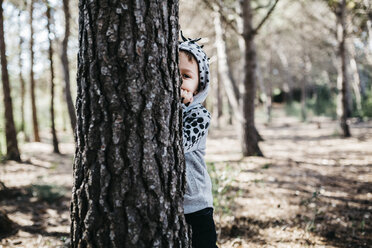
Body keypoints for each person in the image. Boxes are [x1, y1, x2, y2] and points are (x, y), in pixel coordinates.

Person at [179, 33, 218, 248]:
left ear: (199, 83)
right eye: (173, 74)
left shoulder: (199, 115)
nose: (178, 81)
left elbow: (179, 143)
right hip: (173, 205)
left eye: (186, 76)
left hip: (196, 204)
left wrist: (180, 107)